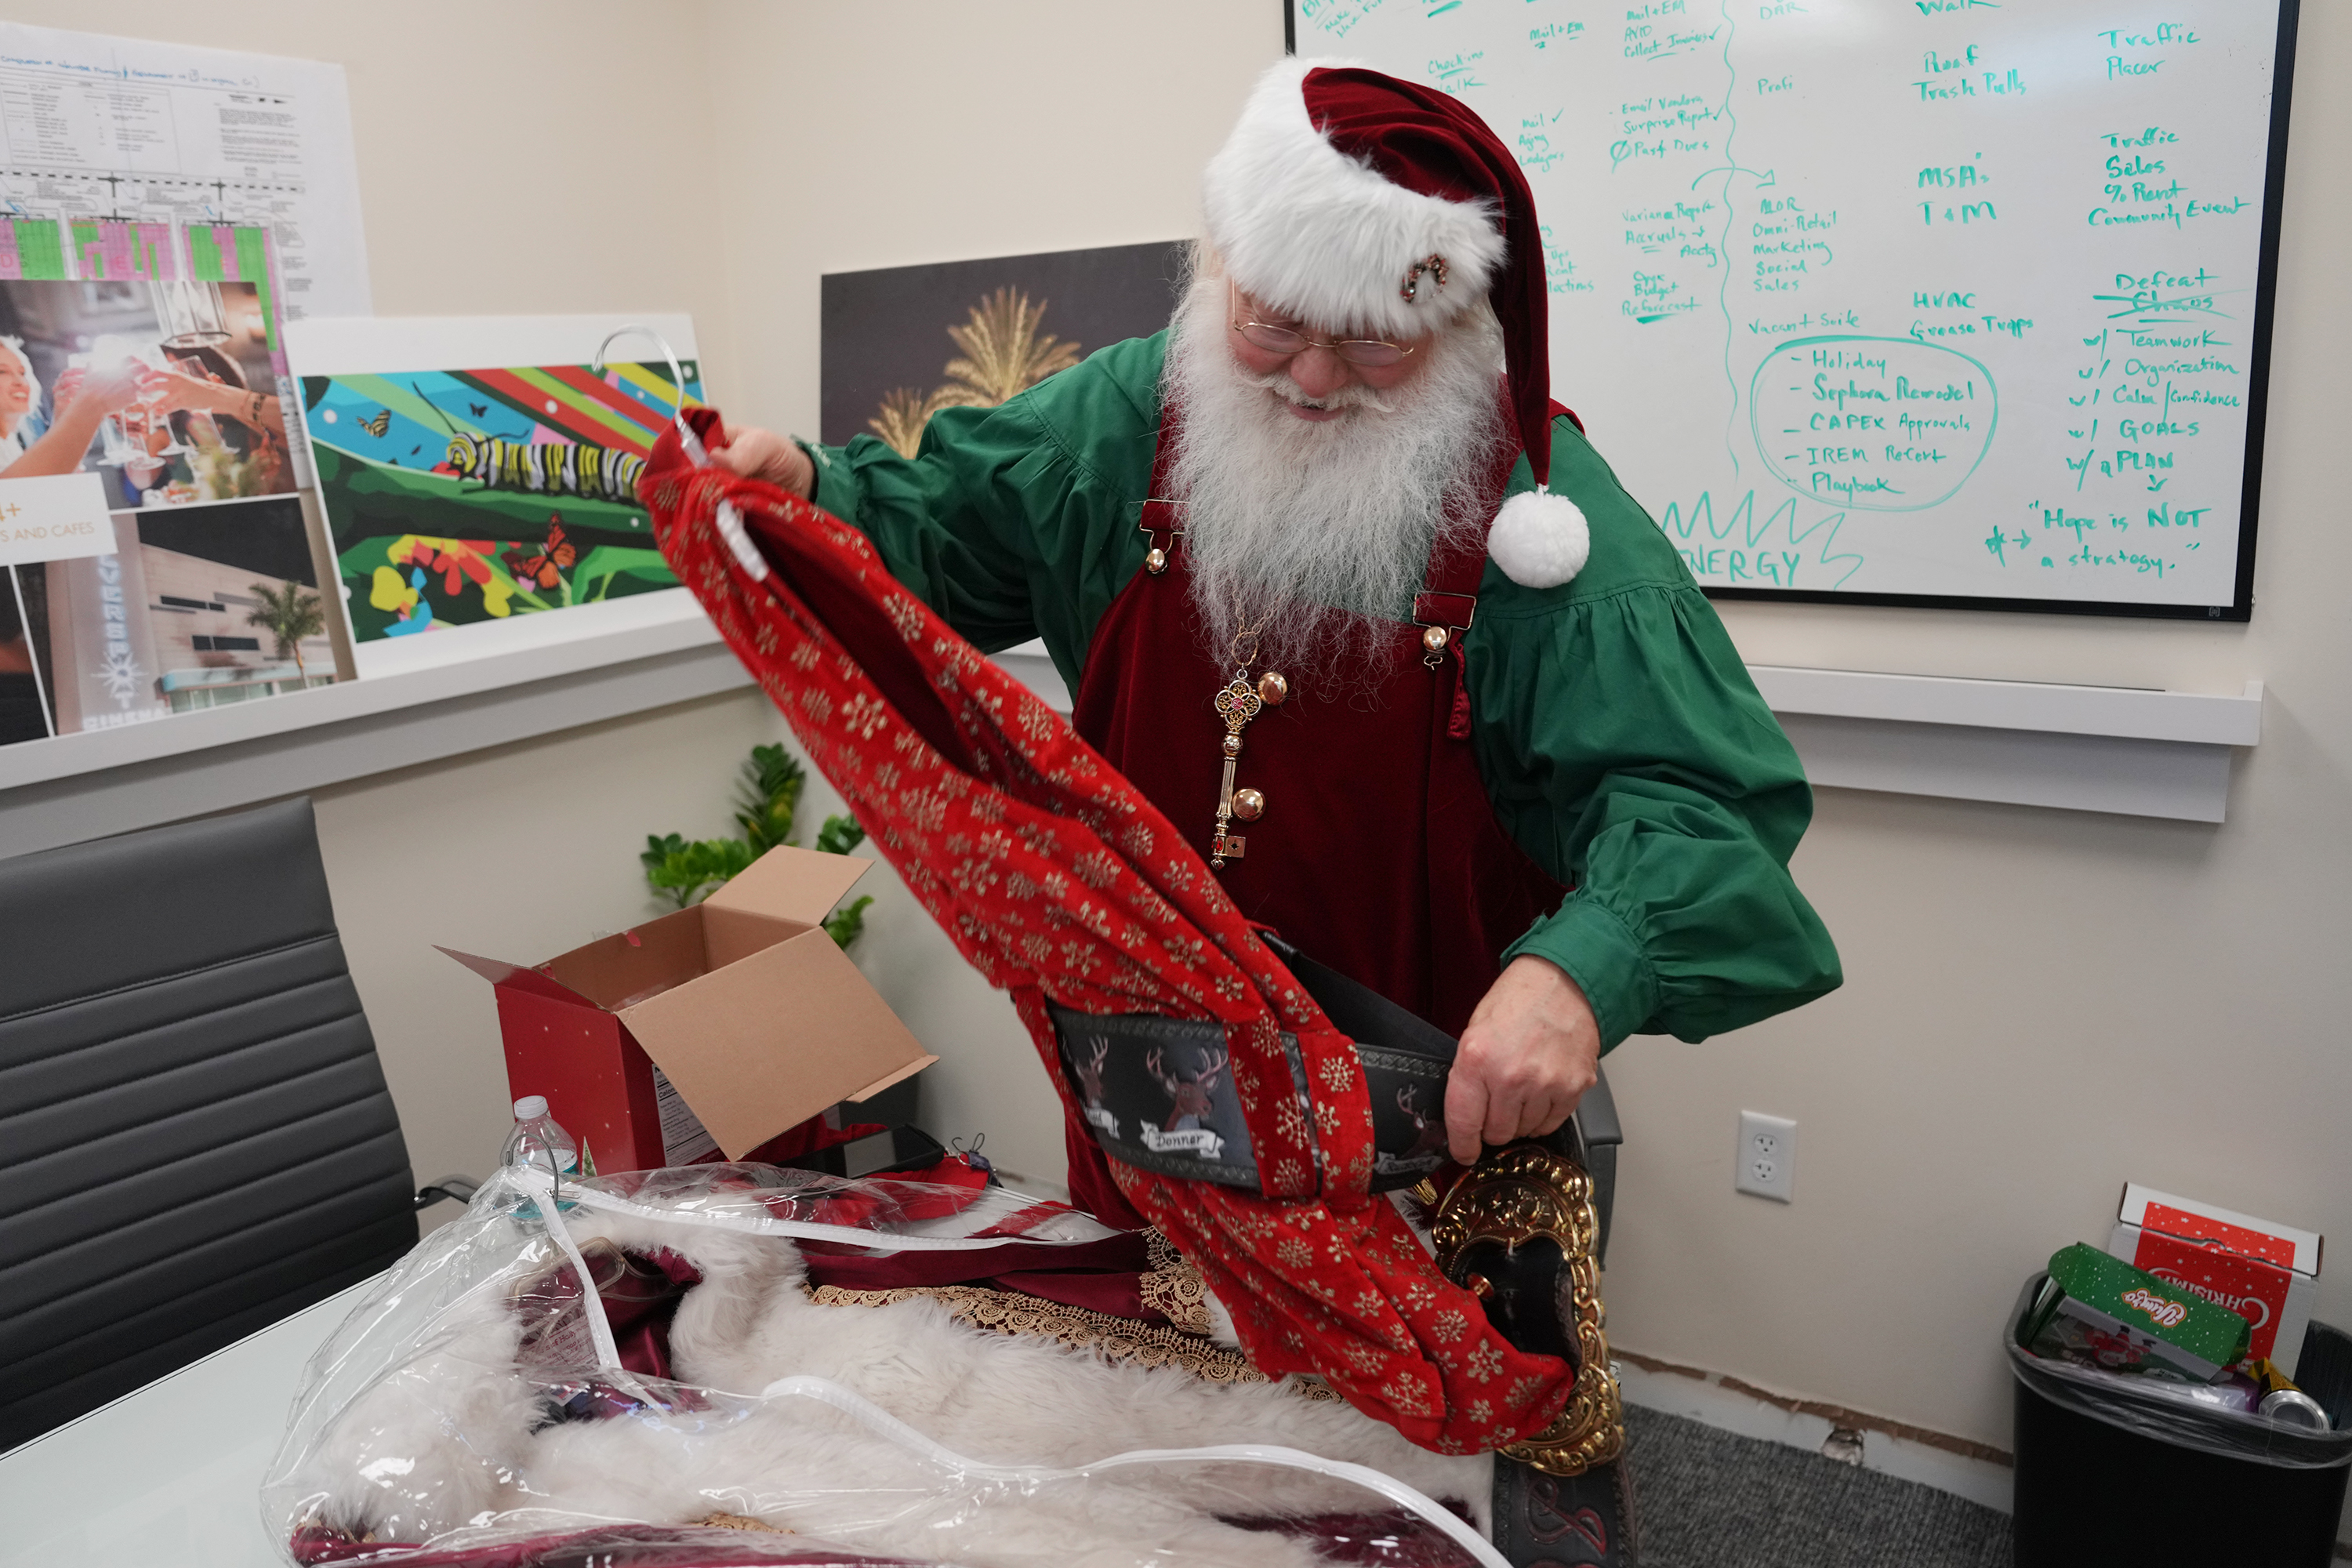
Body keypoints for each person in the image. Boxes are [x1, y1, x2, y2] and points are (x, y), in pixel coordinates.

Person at [708, 61, 1840, 1566]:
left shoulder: (1545, 524)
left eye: (1370, 344)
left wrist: (1584, 967)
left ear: (1452, 322)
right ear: (1217, 272)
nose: (1308, 379)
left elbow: (1703, 804)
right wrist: (816, 494)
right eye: (1273, 324)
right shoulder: (1123, 422)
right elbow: (926, 533)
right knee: (1164, 1482)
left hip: (1411, 1132)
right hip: (1151, 1094)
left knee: (1391, 1496)